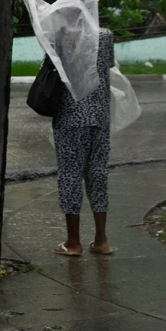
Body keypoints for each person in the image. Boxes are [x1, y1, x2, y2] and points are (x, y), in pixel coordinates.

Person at [46, 16, 115, 256]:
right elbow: (106, 67)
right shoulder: (105, 36)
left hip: (70, 117)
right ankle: (101, 240)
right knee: (97, 174)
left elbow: (50, 68)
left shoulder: (61, 38)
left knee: (70, 176)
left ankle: (73, 243)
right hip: (99, 116)